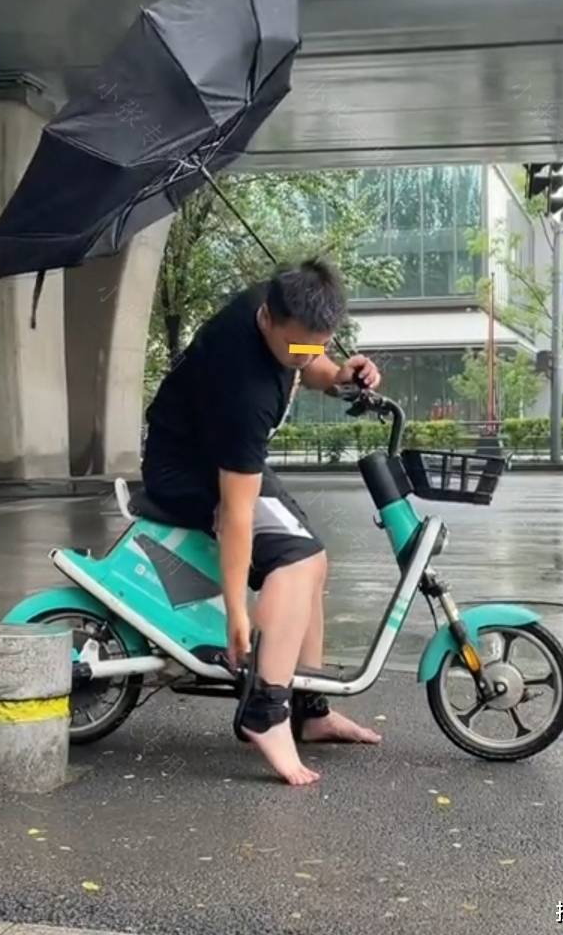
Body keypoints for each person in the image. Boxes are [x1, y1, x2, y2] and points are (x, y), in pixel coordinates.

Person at [140, 258, 382, 786]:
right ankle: (265, 711)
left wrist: (339, 375)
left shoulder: (282, 305)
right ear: (267, 318)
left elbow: (308, 361)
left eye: (317, 343)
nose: (303, 354)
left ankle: (309, 710)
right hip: (186, 470)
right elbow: (236, 514)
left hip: (219, 454)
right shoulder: (243, 389)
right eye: (295, 343)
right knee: (294, 562)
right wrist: (236, 614)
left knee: (313, 560)